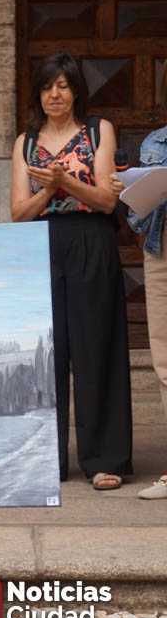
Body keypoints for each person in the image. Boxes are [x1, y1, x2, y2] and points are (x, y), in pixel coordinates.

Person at [10, 52, 132, 491]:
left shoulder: (98, 131)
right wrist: (48, 192)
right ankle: (48, 460)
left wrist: (65, 183)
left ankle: (104, 458)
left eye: (62, 86)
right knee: (49, 353)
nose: (54, 95)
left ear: (76, 90)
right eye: (47, 87)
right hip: (42, 243)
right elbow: (18, 212)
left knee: (96, 346)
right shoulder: (25, 142)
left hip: (91, 239)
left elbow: (106, 200)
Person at [125, 124, 167, 499]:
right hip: (161, 253)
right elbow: (138, 219)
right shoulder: (155, 140)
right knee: (165, 359)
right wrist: (128, 193)